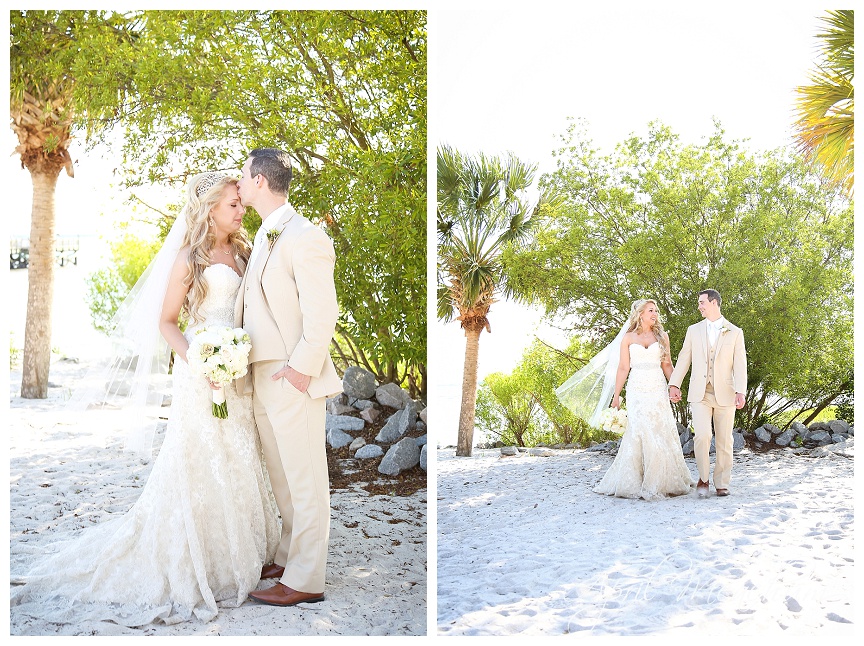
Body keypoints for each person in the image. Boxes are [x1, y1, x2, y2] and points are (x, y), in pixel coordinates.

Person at [11, 172, 280, 626]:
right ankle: (198, 556)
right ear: (211, 208)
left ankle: (243, 550)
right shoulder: (186, 259)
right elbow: (168, 322)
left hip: (236, 370)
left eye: (240, 203)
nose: (241, 210)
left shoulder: (245, 252)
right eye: (233, 203)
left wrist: (234, 357)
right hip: (200, 372)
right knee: (200, 459)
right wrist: (200, 357)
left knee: (238, 454)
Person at [234, 148, 342, 607]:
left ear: (259, 180)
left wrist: (299, 370)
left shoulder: (306, 236)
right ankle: (288, 554)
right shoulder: (263, 236)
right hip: (261, 374)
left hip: (291, 375)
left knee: (305, 478)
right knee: (281, 476)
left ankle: (306, 578)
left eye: (242, 175)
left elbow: (324, 314)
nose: (238, 184)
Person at [669, 289, 747, 498]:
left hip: (726, 393)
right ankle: (703, 479)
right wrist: (674, 384)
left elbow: (740, 365)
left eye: (702, 302)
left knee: (724, 440)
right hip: (699, 393)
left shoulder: (734, 331)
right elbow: (684, 358)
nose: (699, 306)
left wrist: (741, 391)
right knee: (702, 436)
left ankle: (722, 482)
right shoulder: (693, 330)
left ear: (714, 303)